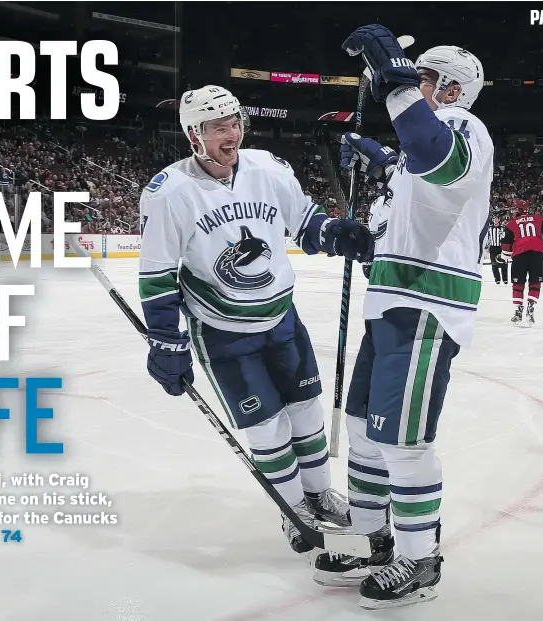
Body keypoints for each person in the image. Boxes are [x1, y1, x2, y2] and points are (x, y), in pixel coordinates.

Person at [137, 85, 373, 555]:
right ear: (193, 134)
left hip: (283, 317)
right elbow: (157, 273)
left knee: (306, 410)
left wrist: (335, 233)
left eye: (235, 122)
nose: (232, 134)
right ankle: (291, 509)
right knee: (266, 426)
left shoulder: (268, 167)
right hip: (223, 329)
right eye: (218, 127)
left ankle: (319, 492)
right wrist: (166, 339)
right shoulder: (168, 192)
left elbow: (305, 221)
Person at [311, 27, 494, 610]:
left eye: (425, 79)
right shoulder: (415, 154)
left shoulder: (465, 129)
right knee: (366, 429)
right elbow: (406, 216)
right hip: (391, 302)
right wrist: (367, 222)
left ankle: (420, 559)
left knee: (404, 440)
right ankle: (377, 538)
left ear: (452, 89)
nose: (417, 85)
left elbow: (437, 158)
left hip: (425, 305)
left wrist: (390, 77)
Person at [501, 204, 543, 326]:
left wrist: (504, 257)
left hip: (519, 254)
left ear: (518, 211)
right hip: (536, 254)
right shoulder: (539, 219)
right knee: (535, 283)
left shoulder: (511, 224)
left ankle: (518, 310)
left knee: (518, 284)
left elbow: (506, 246)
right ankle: (531, 307)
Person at [487, 216, 509, 284]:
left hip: (501, 248)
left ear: (499, 220)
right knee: (494, 265)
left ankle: (505, 279)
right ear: (493, 220)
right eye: (494, 219)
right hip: (493, 248)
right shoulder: (490, 228)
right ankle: (497, 279)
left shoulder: (502, 228)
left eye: (497, 219)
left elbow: (504, 237)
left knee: (504, 264)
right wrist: (488, 247)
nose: (496, 220)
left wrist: (502, 234)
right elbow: (489, 238)